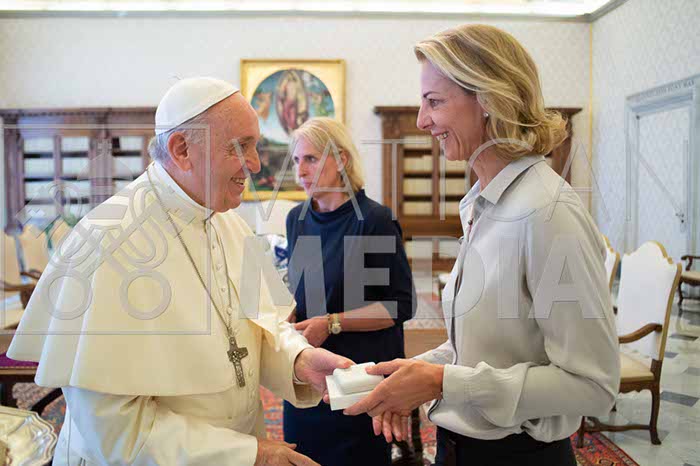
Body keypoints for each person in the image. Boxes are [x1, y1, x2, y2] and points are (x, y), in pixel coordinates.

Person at [8, 77, 354, 466]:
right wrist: (250, 454)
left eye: (255, 145)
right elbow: (114, 430)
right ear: (182, 149)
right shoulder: (108, 240)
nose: (256, 164)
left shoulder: (229, 222)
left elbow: (260, 330)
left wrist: (299, 361)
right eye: (240, 146)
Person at [344, 25, 620, 466]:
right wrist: (408, 375)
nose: (421, 120)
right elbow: (482, 352)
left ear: (489, 99)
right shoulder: (481, 204)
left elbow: (594, 386)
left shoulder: (547, 213)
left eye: (434, 102)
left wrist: (441, 382)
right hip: (459, 449)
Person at [283, 117, 416, 466]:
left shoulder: (373, 220)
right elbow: (303, 293)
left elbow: (400, 305)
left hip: (358, 379)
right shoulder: (296, 219)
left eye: (311, 159)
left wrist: (332, 323)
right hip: (309, 379)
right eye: (296, 160)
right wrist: (286, 316)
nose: (300, 171)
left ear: (341, 159)